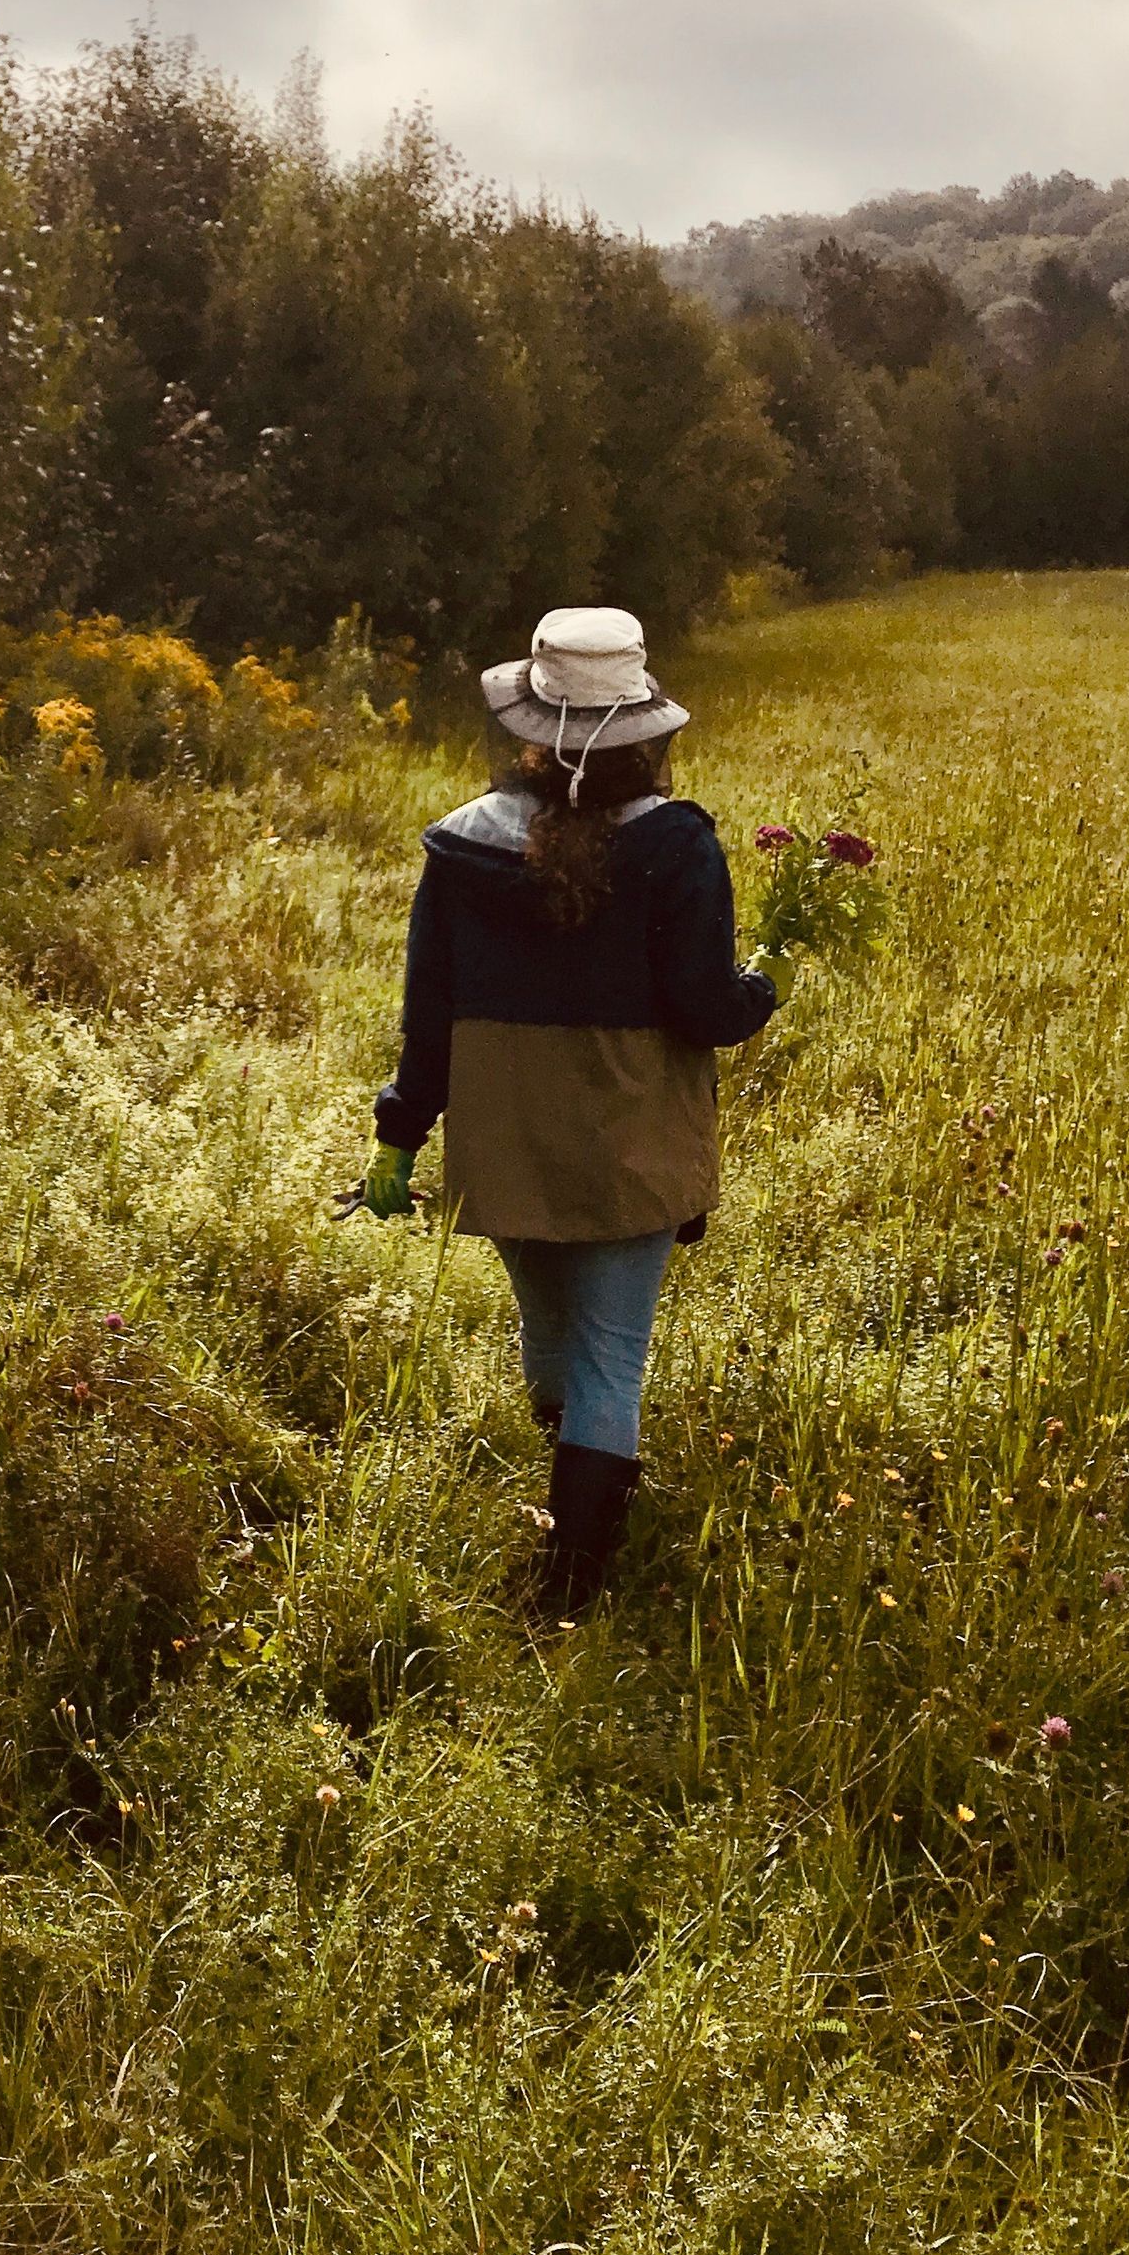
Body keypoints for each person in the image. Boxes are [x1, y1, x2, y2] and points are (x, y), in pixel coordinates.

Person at [361, 606, 784, 1616]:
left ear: (531, 726)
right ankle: (568, 1590)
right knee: (609, 1352)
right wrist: (759, 986)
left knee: (547, 1322)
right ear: (645, 730)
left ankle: (567, 1498)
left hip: (503, 1132)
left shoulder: (461, 847)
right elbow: (702, 1008)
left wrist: (399, 1130)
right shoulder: (677, 848)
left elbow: (429, 1014)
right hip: (629, 1130)